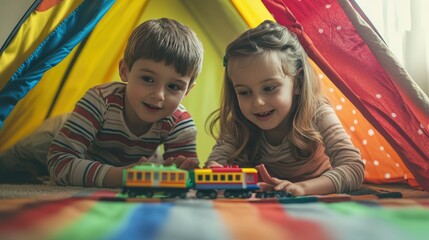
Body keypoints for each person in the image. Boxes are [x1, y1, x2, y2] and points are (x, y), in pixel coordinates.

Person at [0, 18, 204, 188]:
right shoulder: (99, 100)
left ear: (188, 90)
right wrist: (120, 177)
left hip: (129, 156)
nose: (159, 95)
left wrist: (180, 173)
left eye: (174, 87)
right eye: (148, 79)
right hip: (64, 134)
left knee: (154, 167)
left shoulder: (179, 121)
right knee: (8, 166)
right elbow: (60, 162)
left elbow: (185, 177)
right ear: (125, 71)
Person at [205, 20, 364, 196]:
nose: (257, 102)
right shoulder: (239, 124)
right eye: (244, 92)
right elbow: (215, 166)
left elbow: (353, 168)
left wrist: (302, 188)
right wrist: (214, 170)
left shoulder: (317, 112)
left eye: (269, 88)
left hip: (315, 195)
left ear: (297, 82)